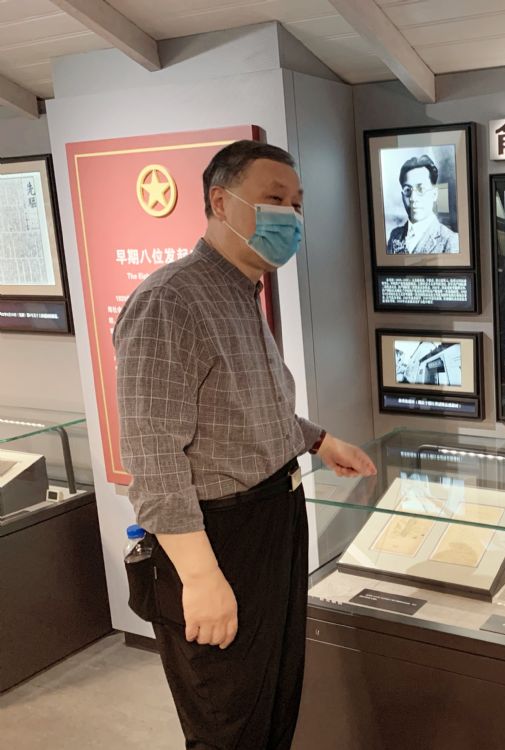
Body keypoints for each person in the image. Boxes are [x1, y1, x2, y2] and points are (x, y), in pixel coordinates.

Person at [113, 140, 376, 750]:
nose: (292, 216)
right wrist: (200, 576)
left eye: (297, 204)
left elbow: (248, 407)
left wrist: (318, 440)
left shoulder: (240, 289)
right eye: (275, 199)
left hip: (273, 520)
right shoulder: (169, 300)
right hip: (217, 536)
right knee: (228, 719)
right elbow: (154, 458)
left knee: (275, 699)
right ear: (220, 201)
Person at [385, 154, 459, 254]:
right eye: (407, 190)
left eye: (421, 189)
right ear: (402, 195)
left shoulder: (451, 241)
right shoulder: (395, 235)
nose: (413, 198)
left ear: (434, 194)